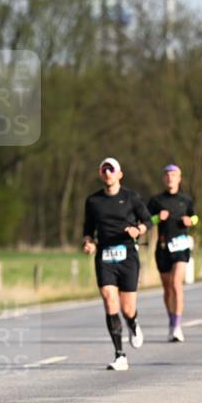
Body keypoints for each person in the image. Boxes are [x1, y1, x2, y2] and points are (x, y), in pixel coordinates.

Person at [82, 157, 149, 371]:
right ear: (100, 174)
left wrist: (138, 230)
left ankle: (133, 323)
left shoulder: (131, 197)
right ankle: (120, 354)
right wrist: (88, 243)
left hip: (128, 255)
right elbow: (87, 230)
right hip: (105, 256)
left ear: (120, 174)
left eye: (111, 169)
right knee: (110, 300)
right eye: (104, 169)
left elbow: (147, 221)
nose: (108, 173)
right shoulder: (93, 201)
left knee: (128, 308)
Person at [147, 164, 197, 342]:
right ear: (163, 179)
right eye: (167, 175)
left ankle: (177, 326)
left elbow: (195, 217)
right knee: (168, 289)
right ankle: (172, 320)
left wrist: (190, 220)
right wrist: (156, 218)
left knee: (177, 283)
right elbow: (145, 221)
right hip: (162, 248)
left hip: (181, 247)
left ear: (179, 178)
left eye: (173, 175)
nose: (170, 178)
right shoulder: (156, 200)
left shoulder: (186, 199)